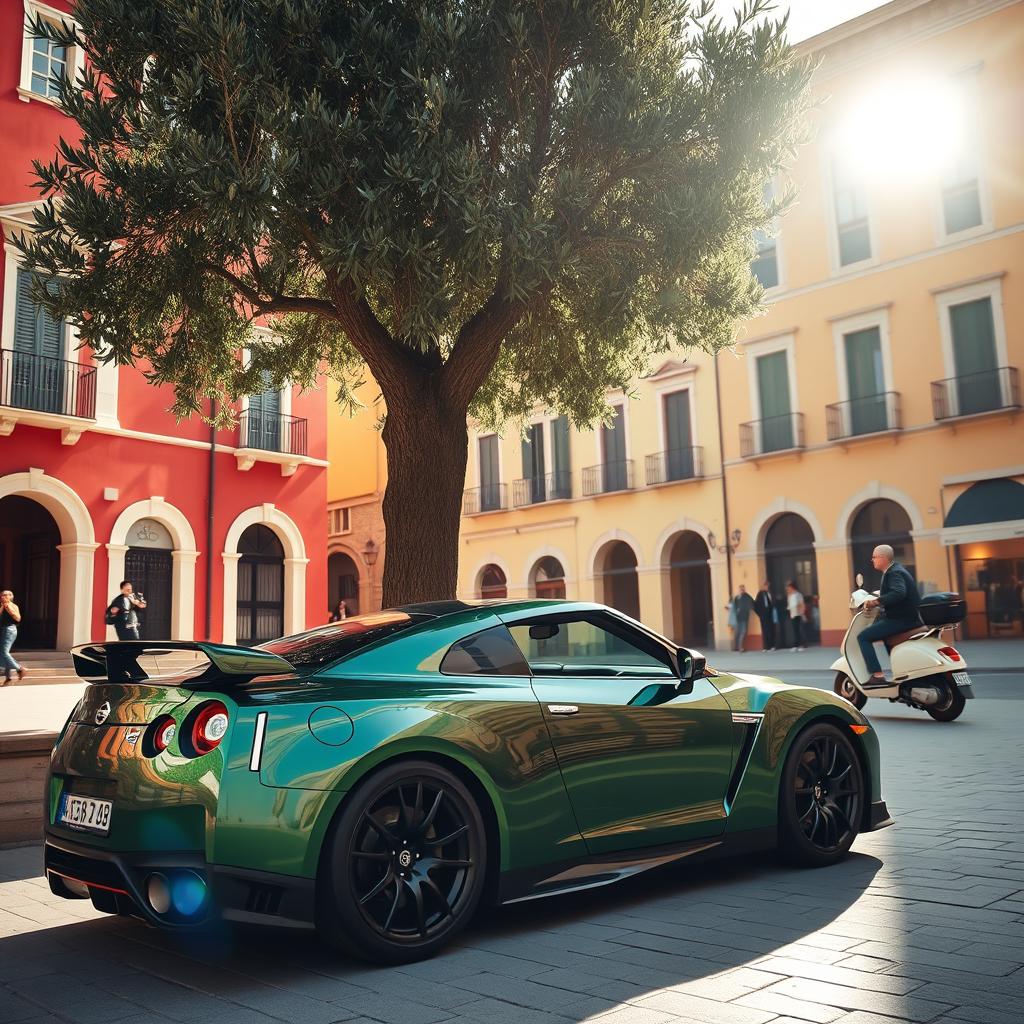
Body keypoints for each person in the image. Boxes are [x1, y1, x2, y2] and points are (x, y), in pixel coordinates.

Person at [858, 544, 922, 685]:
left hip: (902, 619)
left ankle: (877, 675)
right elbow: (896, 592)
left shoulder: (893, 573)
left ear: (883, 558)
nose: (872, 560)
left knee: (863, 637)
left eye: (874, 557)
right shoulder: (896, 570)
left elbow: (899, 592)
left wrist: (876, 602)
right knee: (885, 634)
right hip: (907, 617)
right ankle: (901, 672)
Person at [1, 590, 26, 683]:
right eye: (2, 595)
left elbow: (18, 618)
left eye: (6, 595)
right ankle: (8, 678)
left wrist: (8, 608)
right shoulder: (2, 606)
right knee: (3, 653)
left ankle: (20, 669)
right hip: (2, 630)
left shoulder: (13, 606)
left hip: (9, 630)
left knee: (4, 653)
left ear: (11, 597)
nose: (4, 596)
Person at [729, 584, 756, 652]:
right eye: (741, 589)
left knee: (743, 632)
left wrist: (749, 609)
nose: (742, 590)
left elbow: (752, 603)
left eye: (743, 589)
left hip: (745, 617)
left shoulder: (747, 596)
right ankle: (737, 647)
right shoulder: (737, 597)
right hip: (738, 618)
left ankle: (740, 647)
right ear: (739, 590)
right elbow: (733, 607)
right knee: (738, 632)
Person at [754, 580, 775, 650]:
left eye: (767, 586)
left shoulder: (769, 593)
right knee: (765, 630)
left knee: (770, 629)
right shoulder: (760, 594)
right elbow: (756, 605)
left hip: (770, 614)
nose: (767, 587)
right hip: (763, 614)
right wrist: (760, 614)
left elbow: (772, 603)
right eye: (765, 585)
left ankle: (772, 645)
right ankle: (766, 647)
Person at [786, 581, 806, 651]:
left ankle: (801, 645)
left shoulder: (798, 595)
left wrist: (802, 613)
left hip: (798, 614)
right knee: (795, 630)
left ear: (792, 588)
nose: (788, 590)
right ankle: (795, 645)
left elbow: (802, 604)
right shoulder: (789, 595)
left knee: (799, 630)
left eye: (789, 588)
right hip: (793, 615)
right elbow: (789, 605)